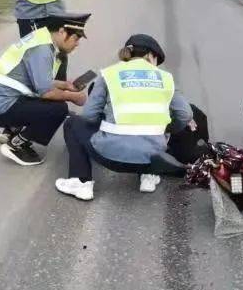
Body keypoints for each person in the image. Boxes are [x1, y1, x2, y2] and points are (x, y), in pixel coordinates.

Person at [55, 34, 193, 201]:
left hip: (110, 158)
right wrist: (166, 129)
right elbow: (185, 114)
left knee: (73, 123)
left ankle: (81, 182)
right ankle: (148, 176)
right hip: (152, 159)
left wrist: (107, 120)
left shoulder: (109, 74)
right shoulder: (165, 78)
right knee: (158, 129)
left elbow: (89, 115)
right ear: (151, 55)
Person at [0, 13, 90, 166]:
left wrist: (66, 86)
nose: (77, 44)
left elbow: (40, 82)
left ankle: (13, 128)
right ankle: (16, 144)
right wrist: (74, 97)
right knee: (58, 109)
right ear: (62, 32)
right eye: (76, 38)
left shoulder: (41, 38)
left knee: (51, 102)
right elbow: (46, 92)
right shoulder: (42, 50)